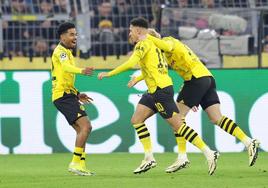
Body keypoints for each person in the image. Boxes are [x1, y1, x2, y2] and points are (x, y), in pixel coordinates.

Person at [98, 17, 219, 175]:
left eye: (130, 30)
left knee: (178, 125)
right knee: (136, 120)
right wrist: (138, 78)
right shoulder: (155, 46)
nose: (129, 33)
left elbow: (130, 63)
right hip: (154, 90)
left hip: (160, 91)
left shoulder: (143, 44)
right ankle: (149, 158)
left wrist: (109, 73)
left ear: (138, 31)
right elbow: (153, 67)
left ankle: (208, 153)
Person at [128, 28, 260, 173]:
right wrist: (138, 78)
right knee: (216, 118)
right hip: (205, 78)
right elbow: (156, 70)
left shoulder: (168, 42)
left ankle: (183, 156)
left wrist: (149, 39)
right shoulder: (161, 55)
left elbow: (167, 48)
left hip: (196, 80)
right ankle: (249, 142)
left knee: (177, 118)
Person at [51, 22, 95, 176]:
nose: (75, 37)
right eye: (71, 34)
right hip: (62, 96)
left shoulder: (68, 52)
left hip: (68, 94)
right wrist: (82, 70)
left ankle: (80, 165)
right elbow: (65, 68)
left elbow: (64, 78)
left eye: (75, 34)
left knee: (81, 129)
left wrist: (77, 94)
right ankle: (75, 163)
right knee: (86, 126)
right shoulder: (60, 51)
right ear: (62, 36)